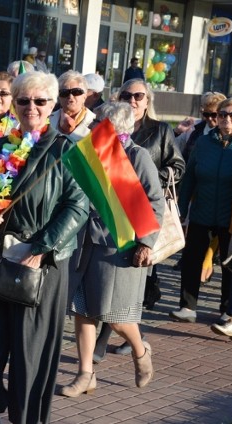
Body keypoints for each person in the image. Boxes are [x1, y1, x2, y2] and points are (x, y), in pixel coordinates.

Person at [0, 71, 88, 424]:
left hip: (40, 264)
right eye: (23, 100)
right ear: (13, 104)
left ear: (53, 104)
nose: (31, 107)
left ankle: (26, 421)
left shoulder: (67, 149)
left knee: (29, 353)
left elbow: (78, 207)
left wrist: (42, 247)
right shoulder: (3, 146)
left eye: (40, 101)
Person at [60, 101, 164, 398]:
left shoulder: (136, 155)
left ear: (113, 127)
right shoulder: (88, 153)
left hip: (119, 248)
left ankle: (140, 351)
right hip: (85, 245)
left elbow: (155, 202)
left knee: (116, 317)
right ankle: (85, 374)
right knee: (83, 311)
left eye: (98, 123)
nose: (92, 126)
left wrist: (146, 242)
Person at [93, 78, 186, 360]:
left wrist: (142, 181)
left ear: (147, 101)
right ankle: (101, 347)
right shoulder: (105, 129)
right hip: (108, 221)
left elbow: (177, 166)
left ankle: (127, 340)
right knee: (106, 291)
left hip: (142, 218)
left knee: (128, 291)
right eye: (126, 94)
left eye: (139, 95)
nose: (132, 100)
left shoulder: (159, 130)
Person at [170, 96, 232, 325]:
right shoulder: (204, 142)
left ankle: (227, 310)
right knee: (191, 258)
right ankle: (187, 306)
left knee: (229, 264)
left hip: (231, 216)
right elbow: (189, 177)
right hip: (202, 210)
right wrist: (181, 209)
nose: (226, 120)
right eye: (222, 115)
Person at [49, 70, 96, 143]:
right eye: (64, 92)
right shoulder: (47, 120)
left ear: (85, 96)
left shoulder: (95, 123)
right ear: (59, 96)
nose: (70, 96)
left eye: (76, 92)